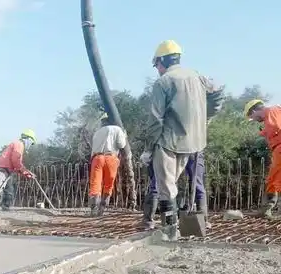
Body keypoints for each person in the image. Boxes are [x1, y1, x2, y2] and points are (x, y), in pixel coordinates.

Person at [144, 39, 224, 239]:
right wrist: (205, 119)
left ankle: (170, 230)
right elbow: (218, 93)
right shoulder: (198, 77)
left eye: (157, 65)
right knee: (195, 183)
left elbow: (155, 119)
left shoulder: (163, 82)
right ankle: (198, 222)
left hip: (168, 142)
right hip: (195, 141)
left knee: (166, 186)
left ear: (162, 61)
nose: (157, 69)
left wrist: (148, 149)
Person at [142, 151, 208, 229]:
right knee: (159, 183)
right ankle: (150, 220)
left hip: (192, 150)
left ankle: (202, 220)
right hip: (169, 150)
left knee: (197, 185)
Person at [244, 99, 281, 218]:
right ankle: (266, 209)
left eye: (252, 117)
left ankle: (267, 209)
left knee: (277, 179)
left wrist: (265, 133)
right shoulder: (270, 115)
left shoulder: (271, 110)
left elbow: (276, 127)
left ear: (254, 111)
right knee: (273, 179)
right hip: (277, 148)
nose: (254, 120)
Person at [88, 114, 127, 216]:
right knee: (108, 185)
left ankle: (93, 210)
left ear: (102, 123)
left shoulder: (97, 133)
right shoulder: (117, 129)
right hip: (111, 158)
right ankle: (102, 210)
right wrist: (124, 135)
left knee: (95, 185)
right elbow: (121, 145)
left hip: (97, 158)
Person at [0, 130, 37, 210]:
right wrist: (26, 172)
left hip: (8, 170)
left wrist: (27, 173)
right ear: (29, 139)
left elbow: (17, 165)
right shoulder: (19, 144)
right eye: (31, 143)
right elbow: (15, 161)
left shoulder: (19, 146)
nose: (31, 145)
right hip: (1, 168)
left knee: (9, 190)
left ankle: (5, 207)